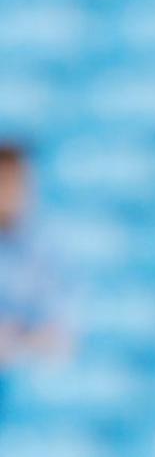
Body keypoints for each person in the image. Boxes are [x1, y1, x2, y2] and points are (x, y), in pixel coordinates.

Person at [0, 142, 71, 418]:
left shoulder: (46, 250)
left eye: (19, 182)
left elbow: (59, 338)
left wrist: (16, 343)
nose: (12, 192)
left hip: (23, 380)